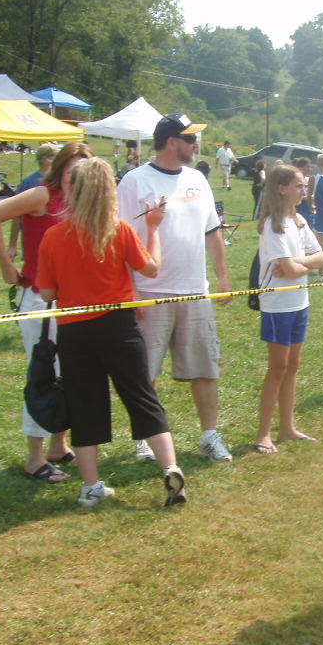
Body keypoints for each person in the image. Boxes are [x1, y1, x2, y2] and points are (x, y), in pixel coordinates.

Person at [36, 158, 186, 507]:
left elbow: (46, 293)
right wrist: (153, 229)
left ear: (73, 190)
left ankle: (90, 486)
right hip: (119, 327)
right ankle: (170, 469)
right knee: (143, 399)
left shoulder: (54, 236)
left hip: (75, 331)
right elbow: (151, 268)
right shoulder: (120, 230)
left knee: (85, 405)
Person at [116, 113, 234, 463]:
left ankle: (209, 436)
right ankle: (145, 437)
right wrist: (131, 291)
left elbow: (212, 231)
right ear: (171, 142)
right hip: (149, 293)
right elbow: (120, 240)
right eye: (191, 139)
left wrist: (223, 277)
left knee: (204, 366)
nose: (197, 144)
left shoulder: (198, 178)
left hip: (195, 291)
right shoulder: (135, 181)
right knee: (145, 372)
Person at [0, 141, 95, 482]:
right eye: (72, 169)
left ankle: (58, 446)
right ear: (60, 168)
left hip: (76, 301)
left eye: (84, 169)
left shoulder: (85, 201)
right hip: (41, 301)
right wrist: (6, 267)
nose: (77, 176)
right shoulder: (43, 195)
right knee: (44, 375)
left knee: (70, 374)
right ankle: (34, 458)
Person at [251, 164, 323, 455]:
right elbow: (291, 269)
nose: (304, 191)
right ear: (281, 188)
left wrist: (299, 263)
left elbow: (319, 259)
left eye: (304, 186)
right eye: (299, 186)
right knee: (278, 368)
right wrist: (300, 265)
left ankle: (287, 428)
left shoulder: (299, 221)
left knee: (292, 366)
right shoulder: (273, 225)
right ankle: (263, 433)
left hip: (299, 302)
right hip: (277, 306)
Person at [8, 142, 60, 261]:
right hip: (34, 242)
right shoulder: (29, 182)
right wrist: (12, 245)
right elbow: (17, 216)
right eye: (56, 156)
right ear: (46, 159)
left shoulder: (61, 180)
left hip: (57, 242)